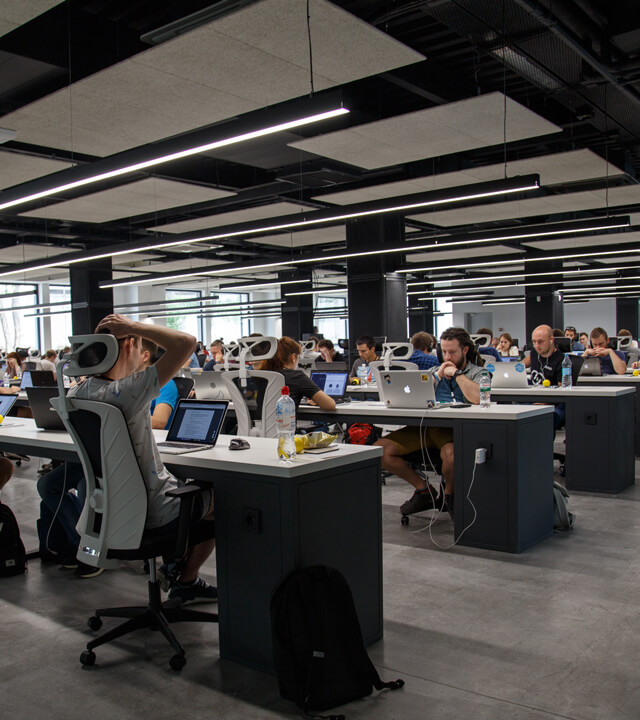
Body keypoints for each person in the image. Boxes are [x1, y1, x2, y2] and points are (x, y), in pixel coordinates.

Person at [71, 314, 217, 603]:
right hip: (155, 512)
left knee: (186, 490)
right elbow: (187, 343)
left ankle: (175, 564)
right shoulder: (126, 391)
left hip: (110, 513)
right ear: (128, 347)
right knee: (224, 495)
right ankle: (185, 578)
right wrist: (134, 327)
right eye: (138, 346)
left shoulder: (78, 392)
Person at [374, 328, 483, 519]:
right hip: (427, 429)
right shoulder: (434, 372)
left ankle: (449, 495)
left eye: (452, 352)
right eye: (444, 352)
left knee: (451, 455)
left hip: (455, 431)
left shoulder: (478, 372)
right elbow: (415, 395)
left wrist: (457, 373)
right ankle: (424, 490)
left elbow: (478, 398)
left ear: (465, 350)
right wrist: (438, 375)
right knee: (380, 449)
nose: (447, 356)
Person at [256, 337, 336, 413]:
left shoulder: (263, 376)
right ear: (293, 357)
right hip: (286, 426)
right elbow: (330, 405)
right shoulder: (296, 376)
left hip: (259, 426)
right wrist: (317, 400)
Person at [523, 324, 565, 430]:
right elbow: (518, 368)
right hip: (533, 399)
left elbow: (562, 394)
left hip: (553, 404)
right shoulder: (534, 353)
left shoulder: (561, 360)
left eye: (541, 341)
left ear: (551, 340)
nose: (537, 345)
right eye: (534, 342)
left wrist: (541, 403)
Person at [140, 339, 180, 430]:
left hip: (153, 437)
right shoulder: (131, 382)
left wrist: (122, 419)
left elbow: (159, 422)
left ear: (145, 356)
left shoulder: (165, 384)